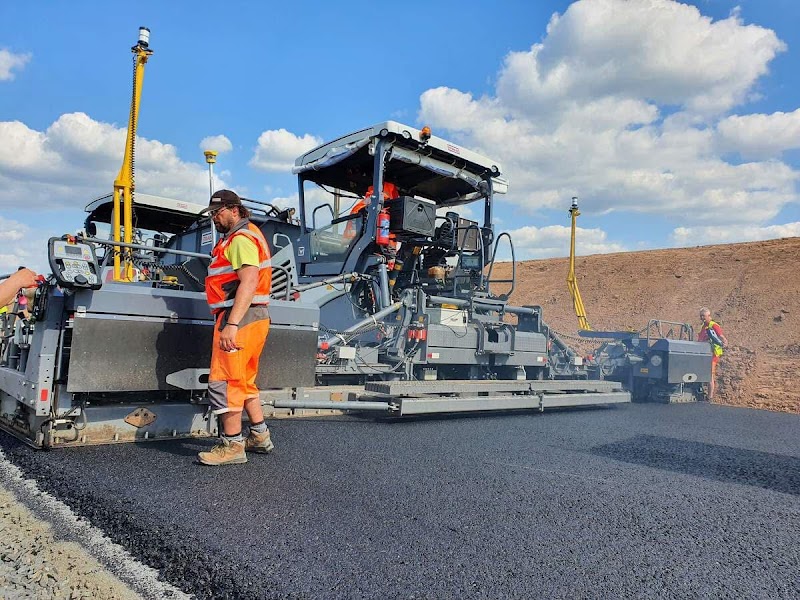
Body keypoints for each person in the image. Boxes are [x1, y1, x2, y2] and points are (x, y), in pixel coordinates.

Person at [197, 190, 274, 466]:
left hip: (238, 318)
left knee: (226, 380)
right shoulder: (246, 235)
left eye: (217, 213)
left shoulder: (241, 239)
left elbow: (249, 281)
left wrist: (231, 324)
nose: (214, 218)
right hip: (254, 318)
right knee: (244, 380)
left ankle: (232, 446)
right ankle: (259, 435)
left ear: (234, 210)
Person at [697, 307, 728, 400]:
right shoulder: (704, 326)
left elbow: (721, 336)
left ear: (709, 315)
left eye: (703, 316)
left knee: (709, 374)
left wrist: (725, 342)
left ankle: (710, 397)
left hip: (712, 354)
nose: (702, 318)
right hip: (704, 353)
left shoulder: (713, 325)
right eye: (701, 316)